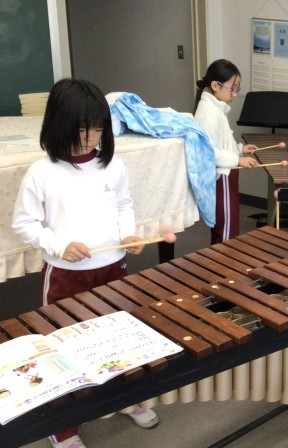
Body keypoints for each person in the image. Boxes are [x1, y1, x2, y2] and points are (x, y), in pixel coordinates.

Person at [12, 78, 159, 448]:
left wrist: (128, 234)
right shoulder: (42, 172)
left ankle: (120, 399)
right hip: (66, 275)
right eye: (82, 128)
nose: (91, 137)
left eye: (98, 128)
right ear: (59, 124)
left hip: (113, 269)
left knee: (116, 337)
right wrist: (58, 245)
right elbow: (24, 224)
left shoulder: (113, 166)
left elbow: (124, 206)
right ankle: (62, 425)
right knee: (62, 348)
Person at [194, 59, 259, 244]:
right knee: (227, 234)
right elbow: (208, 153)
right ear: (215, 85)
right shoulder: (208, 113)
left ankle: (220, 262)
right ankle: (223, 263)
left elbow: (221, 143)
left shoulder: (216, 108)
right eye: (233, 88)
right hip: (221, 177)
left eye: (237, 88)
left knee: (224, 229)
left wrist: (239, 149)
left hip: (226, 174)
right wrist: (237, 160)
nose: (235, 94)